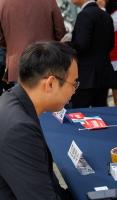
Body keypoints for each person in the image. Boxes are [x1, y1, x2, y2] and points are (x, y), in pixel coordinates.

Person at [0, 41, 77, 199]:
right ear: (50, 83)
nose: (74, 90)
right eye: (74, 83)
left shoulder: (11, 99)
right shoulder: (20, 129)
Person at [0, 0, 66, 83]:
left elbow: (2, 39)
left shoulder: (3, 2)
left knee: (20, 95)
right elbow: (60, 32)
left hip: (17, 64)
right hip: (46, 61)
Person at [69, 0, 115, 108]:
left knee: (79, 114)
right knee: (101, 113)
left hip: (86, 75)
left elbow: (81, 45)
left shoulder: (84, 15)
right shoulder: (106, 15)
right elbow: (111, 45)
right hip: (104, 72)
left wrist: (67, 44)